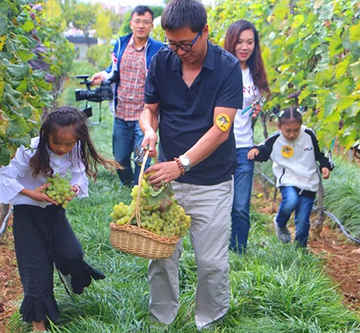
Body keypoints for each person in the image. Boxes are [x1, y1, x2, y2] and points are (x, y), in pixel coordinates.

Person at [139, 0, 243, 329]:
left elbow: (221, 130)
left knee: (211, 262)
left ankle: (210, 320)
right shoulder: (161, 62)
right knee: (161, 257)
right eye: (172, 44)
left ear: (205, 33)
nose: (179, 51)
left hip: (211, 181)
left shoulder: (226, 68)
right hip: (165, 181)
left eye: (186, 44)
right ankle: (162, 318)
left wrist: (181, 164)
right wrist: (149, 130)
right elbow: (149, 108)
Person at [0, 107, 118, 332]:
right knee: (35, 270)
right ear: (45, 136)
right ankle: (39, 324)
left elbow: (78, 172)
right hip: (27, 214)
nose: (63, 149)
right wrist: (32, 193)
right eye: (57, 144)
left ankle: (72, 276)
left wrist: (73, 188)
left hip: (53, 211)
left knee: (72, 254)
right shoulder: (28, 150)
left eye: (69, 144)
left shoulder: (75, 147)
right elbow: (5, 176)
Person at [90, 5, 164, 186]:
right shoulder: (121, 44)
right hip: (121, 113)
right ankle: (128, 182)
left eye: (146, 22)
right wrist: (103, 75)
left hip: (144, 117)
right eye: (137, 21)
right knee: (120, 158)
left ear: (151, 26)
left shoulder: (159, 49)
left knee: (142, 158)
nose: (141, 26)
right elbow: (113, 70)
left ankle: (139, 189)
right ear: (131, 23)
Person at [248, 108, 333, 248]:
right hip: (288, 179)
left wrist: (325, 166)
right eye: (288, 131)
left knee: (303, 220)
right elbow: (264, 150)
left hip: (308, 182)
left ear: (301, 126)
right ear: (279, 127)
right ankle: (280, 223)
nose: (292, 134)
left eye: (296, 130)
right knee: (291, 201)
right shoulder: (276, 139)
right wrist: (255, 151)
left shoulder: (309, 135)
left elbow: (320, 153)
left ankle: (300, 249)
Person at [223, 20, 270, 254]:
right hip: (219, 146)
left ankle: (238, 251)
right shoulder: (221, 70)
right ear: (231, 42)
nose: (244, 46)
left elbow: (252, 108)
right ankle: (217, 247)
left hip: (244, 146)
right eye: (240, 41)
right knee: (221, 203)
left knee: (241, 205)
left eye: (250, 42)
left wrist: (255, 112)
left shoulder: (255, 74)